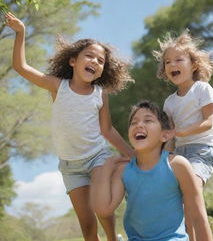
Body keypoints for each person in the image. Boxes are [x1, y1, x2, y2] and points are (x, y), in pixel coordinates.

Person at [5, 12, 134, 241]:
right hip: (70, 166)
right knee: (86, 225)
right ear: (73, 61)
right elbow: (21, 67)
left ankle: (113, 238)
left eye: (101, 61)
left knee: (102, 207)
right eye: (89, 56)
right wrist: (21, 33)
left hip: (97, 157)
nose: (95, 61)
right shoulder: (57, 86)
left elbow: (107, 130)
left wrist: (132, 155)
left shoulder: (99, 94)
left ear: (103, 70)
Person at [92, 100, 213, 241]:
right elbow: (103, 209)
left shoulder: (177, 165)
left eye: (148, 120)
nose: (139, 125)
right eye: (133, 122)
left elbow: (198, 216)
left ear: (165, 135)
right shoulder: (123, 171)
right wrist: (107, 169)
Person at [152, 31, 213, 240]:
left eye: (179, 60)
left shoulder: (202, 88)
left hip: (201, 151)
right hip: (180, 155)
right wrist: (161, 160)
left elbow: (208, 123)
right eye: (167, 62)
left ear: (193, 65)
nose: (173, 64)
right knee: (182, 204)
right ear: (165, 70)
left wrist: (180, 132)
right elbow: (171, 139)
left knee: (193, 197)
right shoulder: (169, 102)